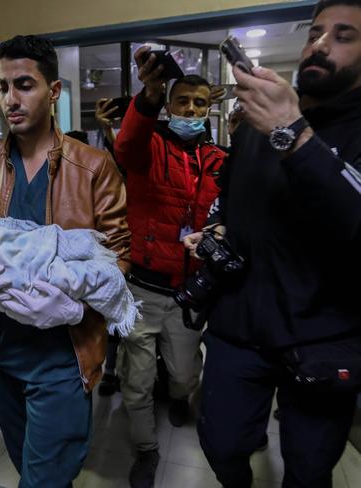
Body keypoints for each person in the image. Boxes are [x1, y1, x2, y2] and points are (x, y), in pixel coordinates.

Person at [183, 1, 361, 486]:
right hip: (240, 325)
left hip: (322, 335)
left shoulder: (289, 126)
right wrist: (218, 232)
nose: (321, 44)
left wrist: (294, 133)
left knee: (308, 469)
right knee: (221, 445)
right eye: (316, 33)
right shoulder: (258, 127)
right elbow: (233, 200)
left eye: (344, 36)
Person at [0, 35, 129, 487]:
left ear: (53, 91)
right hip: (0, 354)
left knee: (43, 481)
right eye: (1, 87)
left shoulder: (93, 167)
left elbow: (121, 257)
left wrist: (75, 304)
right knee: (32, 468)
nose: (10, 100)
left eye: (24, 85)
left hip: (62, 359)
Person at [113, 53, 226, 488]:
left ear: (208, 109)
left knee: (183, 375)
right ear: (170, 106)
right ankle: (145, 449)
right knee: (135, 382)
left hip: (189, 292)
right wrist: (150, 94)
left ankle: (178, 397)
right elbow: (125, 144)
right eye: (183, 103)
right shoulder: (149, 148)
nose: (192, 111)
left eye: (200, 104)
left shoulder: (218, 158)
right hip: (142, 287)